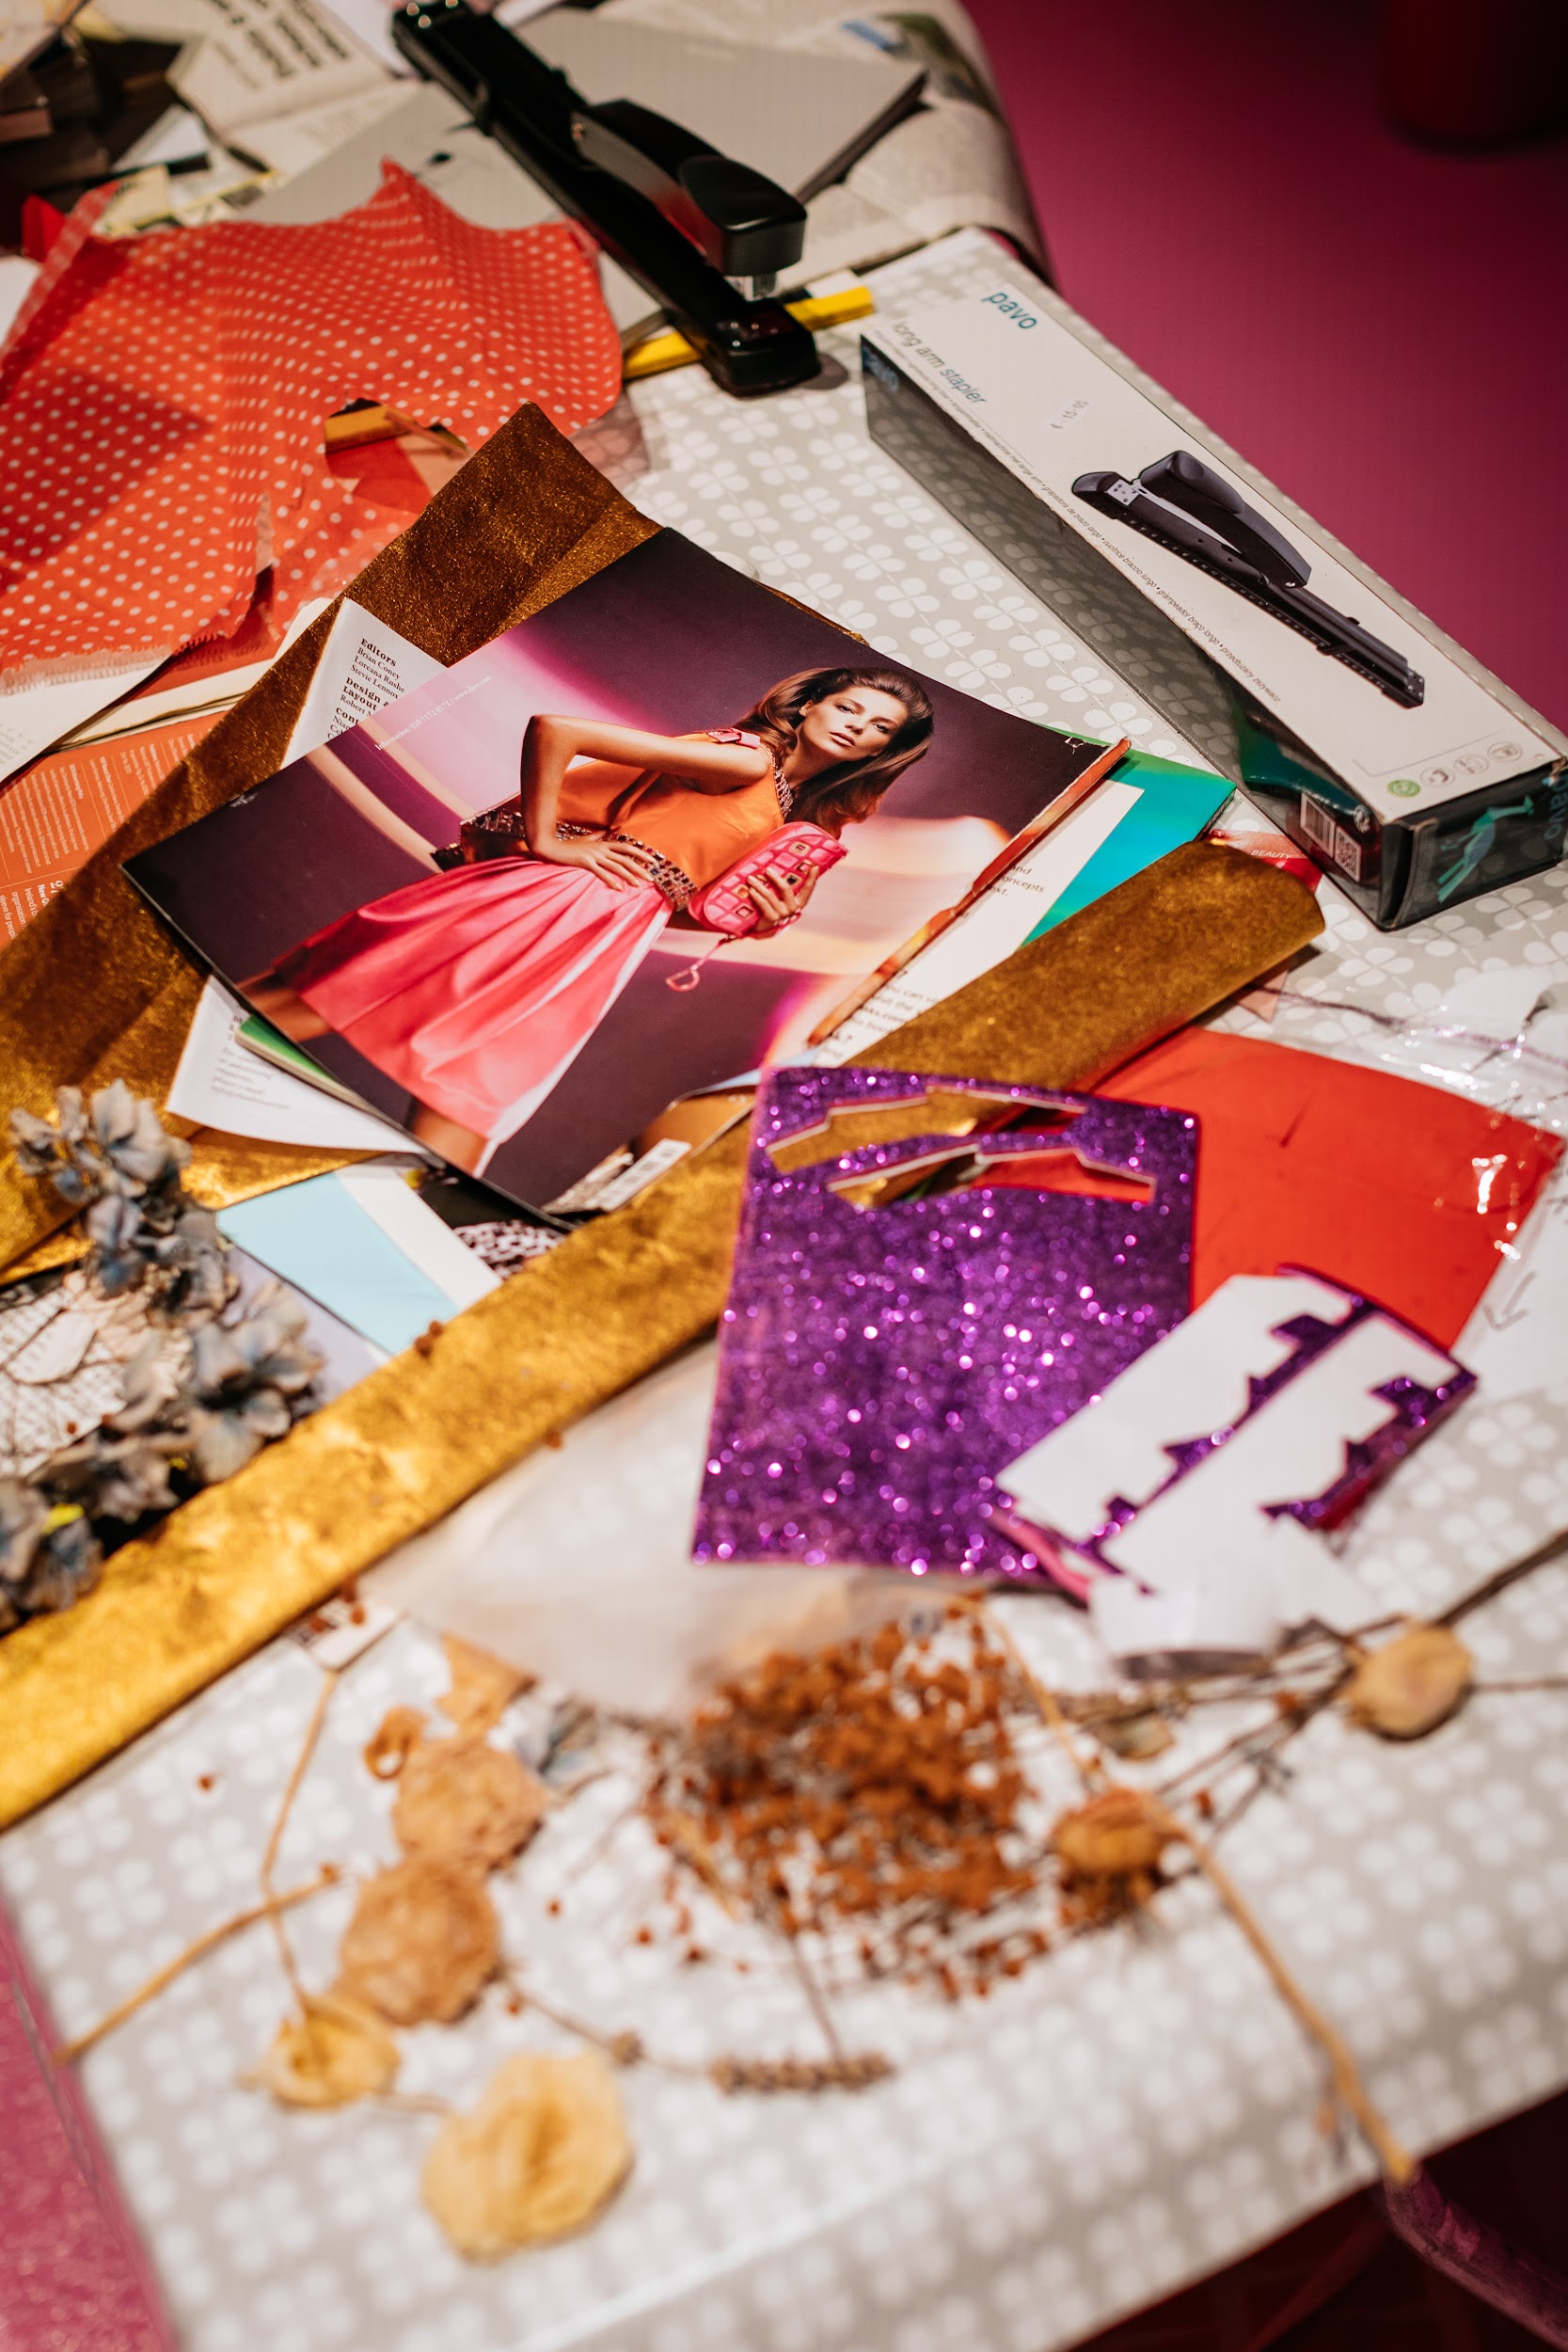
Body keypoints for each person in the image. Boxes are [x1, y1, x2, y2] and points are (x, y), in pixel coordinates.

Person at [244, 664, 935, 1173]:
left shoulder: (782, 805)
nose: (857, 727)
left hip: (593, 937)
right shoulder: (747, 759)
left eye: (879, 728)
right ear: (809, 704)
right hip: (537, 908)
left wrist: (747, 922)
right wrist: (550, 840)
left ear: (880, 753)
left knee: (469, 1095)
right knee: (314, 1004)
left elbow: (659, 896)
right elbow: (557, 730)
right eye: (848, 707)